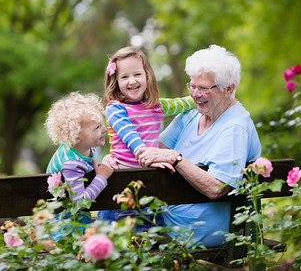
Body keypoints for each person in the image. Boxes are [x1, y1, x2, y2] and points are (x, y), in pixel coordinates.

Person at [136, 45, 262, 247]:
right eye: (192, 86)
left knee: (116, 232)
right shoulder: (191, 114)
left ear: (229, 88)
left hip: (201, 231)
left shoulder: (235, 127)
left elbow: (217, 188)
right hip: (166, 220)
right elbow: (152, 149)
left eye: (203, 88)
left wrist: (176, 159)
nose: (194, 94)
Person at [99, 46, 196, 227]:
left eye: (137, 74)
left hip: (151, 182)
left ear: (147, 76)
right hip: (125, 185)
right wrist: (147, 155)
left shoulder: (155, 106)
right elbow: (130, 137)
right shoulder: (115, 109)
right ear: (116, 81)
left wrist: (200, 97)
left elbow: (181, 104)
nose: (132, 81)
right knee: (129, 235)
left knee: (154, 231)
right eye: (124, 77)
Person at [45, 91, 114, 240]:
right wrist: (102, 177)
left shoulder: (84, 147)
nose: (103, 129)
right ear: (76, 136)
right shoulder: (71, 163)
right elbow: (79, 203)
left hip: (73, 217)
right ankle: (47, 240)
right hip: (64, 223)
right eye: (97, 128)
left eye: (102, 123)